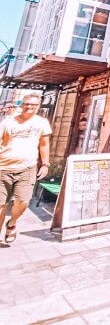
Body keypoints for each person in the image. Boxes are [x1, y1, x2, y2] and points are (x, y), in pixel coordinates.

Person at [0, 94, 52, 244]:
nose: (29, 107)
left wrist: (45, 164)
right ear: (22, 105)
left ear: (38, 107)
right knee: (1, 204)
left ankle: (12, 223)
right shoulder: (8, 122)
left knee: (23, 201)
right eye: (27, 104)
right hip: (3, 168)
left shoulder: (42, 123)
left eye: (33, 105)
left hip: (27, 168)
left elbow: (44, 144)